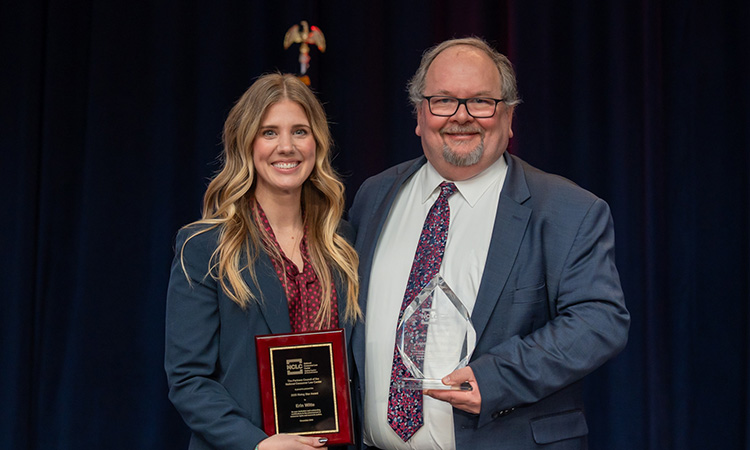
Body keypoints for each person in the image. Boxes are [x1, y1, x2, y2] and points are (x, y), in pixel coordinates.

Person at [348, 37, 630, 449]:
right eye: (443, 101)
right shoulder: (374, 196)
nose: (461, 117)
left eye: (481, 101)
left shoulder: (568, 210)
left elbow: (600, 320)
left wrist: (499, 376)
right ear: (419, 114)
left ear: (509, 115)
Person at [165, 73, 362, 450]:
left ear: (317, 143)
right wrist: (257, 444)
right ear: (247, 143)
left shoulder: (343, 241)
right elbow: (189, 379)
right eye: (269, 132)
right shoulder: (205, 246)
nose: (286, 146)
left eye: (299, 131)